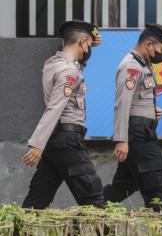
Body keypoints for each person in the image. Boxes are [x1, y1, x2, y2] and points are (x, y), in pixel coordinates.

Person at [22, 20, 105, 209]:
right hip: (68, 140)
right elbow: (55, 107)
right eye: (89, 44)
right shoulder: (69, 71)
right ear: (82, 42)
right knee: (94, 199)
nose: (90, 48)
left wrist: (89, 42)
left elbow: (76, 64)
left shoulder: (53, 63)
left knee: (37, 200)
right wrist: (37, 144)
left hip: (56, 140)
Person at [103, 24, 162, 211]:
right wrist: (121, 140)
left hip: (142, 132)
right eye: (161, 49)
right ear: (149, 44)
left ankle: (87, 216)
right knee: (159, 188)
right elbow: (122, 104)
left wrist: (153, 111)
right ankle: (160, 231)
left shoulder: (143, 65)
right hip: (137, 136)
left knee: (123, 186)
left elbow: (136, 101)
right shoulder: (131, 67)